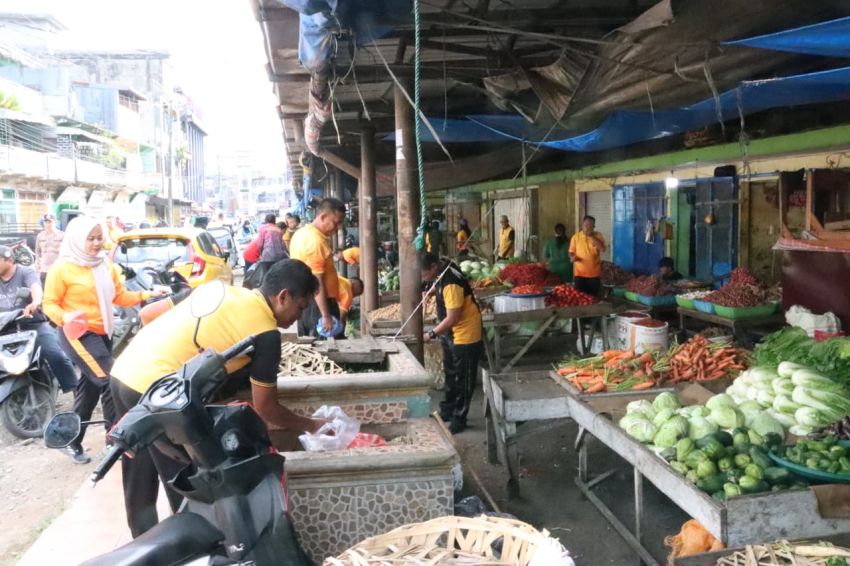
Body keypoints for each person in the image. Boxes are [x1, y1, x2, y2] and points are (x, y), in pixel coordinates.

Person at [110, 260, 327, 538]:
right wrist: (311, 425)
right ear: (283, 296)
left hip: (124, 369)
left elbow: (147, 313)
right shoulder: (266, 333)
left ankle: (141, 539)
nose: (298, 317)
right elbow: (267, 407)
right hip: (159, 392)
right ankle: (192, 546)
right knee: (188, 477)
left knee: (139, 469)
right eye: (301, 307)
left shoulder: (216, 289)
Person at [43, 216, 164, 464]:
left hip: (103, 332)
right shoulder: (62, 268)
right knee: (111, 380)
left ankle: (70, 440)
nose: (97, 243)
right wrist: (65, 316)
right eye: (91, 238)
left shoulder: (104, 264)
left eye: (99, 238)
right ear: (78, 240)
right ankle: (114, 441)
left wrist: (148, 294)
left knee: (89, 390)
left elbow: (119, 296)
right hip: (78, 334)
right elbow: (49, 304)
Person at [0, 246, 78, 394]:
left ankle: (74, 389)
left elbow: (36, 287)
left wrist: (35, 302)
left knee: (54, 354)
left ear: (9, 260)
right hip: (5, 327)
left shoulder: (25, 272)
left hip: (31, 323)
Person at [420, 253, 483, 434]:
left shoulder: (451, 283)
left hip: (465, 334)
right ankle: (447, 410)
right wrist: (431, 291)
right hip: (451, 334)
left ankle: (459, 417)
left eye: (424, 274)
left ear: (433, 266)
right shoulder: (443, 270)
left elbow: (452, 318)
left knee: (463, 378)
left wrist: (431, 334)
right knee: (450, 373)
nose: (423, 279)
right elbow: (438, 284)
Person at [289, 198, 345, 337]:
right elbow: (317, 283)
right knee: (325, 346)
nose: (338, 227)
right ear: (323, 217)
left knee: (309, 342)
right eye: (336, 222)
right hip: (318, 305)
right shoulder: (315, 242)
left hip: (307, 302)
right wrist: (326, 316)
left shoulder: (301, 233)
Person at [569, 215, 606, 296]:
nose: (588, 227)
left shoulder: (598, 235)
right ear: (582, 225)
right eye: (586, 225)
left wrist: (591, 236)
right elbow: (571, 251)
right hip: (579, 275)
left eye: (590, 225)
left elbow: (602, 249)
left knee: (594, 298)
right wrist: (572, 257)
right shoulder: (575, 237)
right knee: (580, 297)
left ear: (594, 227)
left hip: (594, 275)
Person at [34, 213, 64, 285]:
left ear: (55, 223)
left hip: (58, 268)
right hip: (44, 268)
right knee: (44, 288)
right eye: (46, 222)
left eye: (50, 222)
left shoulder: (62, 235)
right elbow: (37, 251)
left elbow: (67, 252)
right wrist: (37, 262)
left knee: (58, 288)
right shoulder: (40, 236)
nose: (48, 224)